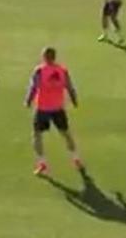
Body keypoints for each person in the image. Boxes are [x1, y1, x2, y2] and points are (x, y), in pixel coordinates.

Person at [24, 47, 83, 176]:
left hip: (43, 109)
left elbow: (34, 87)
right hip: (58, 108)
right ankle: (75, 158)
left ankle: (42, 162)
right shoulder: (62, 70)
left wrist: (28, 101)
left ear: (44, 57)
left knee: (37, 135)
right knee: (66, 134)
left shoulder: (40, 71)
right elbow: (70, 87)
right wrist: (74, 100)